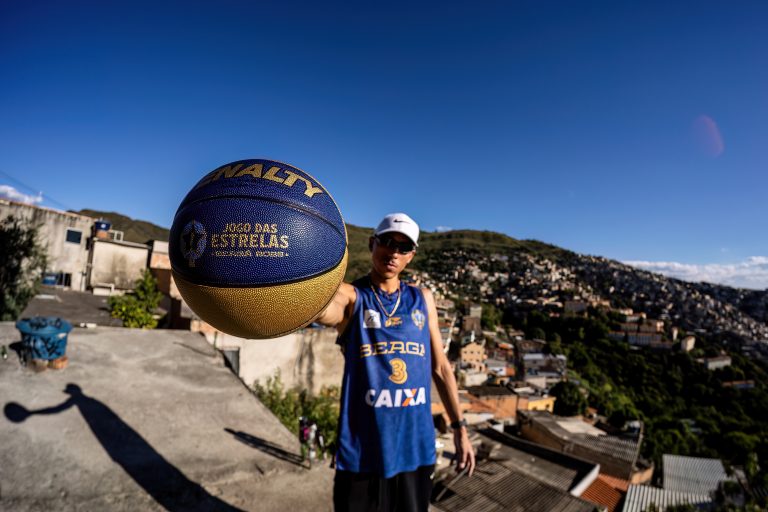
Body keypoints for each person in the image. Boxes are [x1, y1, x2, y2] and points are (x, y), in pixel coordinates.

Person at [316, 212, 475, 512]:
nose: (394, 252)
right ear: (372, 243)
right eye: (388, 242)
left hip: (415, 449)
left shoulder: (422, 299)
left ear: (411, 255)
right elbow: (322, 307)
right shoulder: (354, 296)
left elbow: (441, 368)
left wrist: (460, 428)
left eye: (404, 247)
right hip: (362, 451)